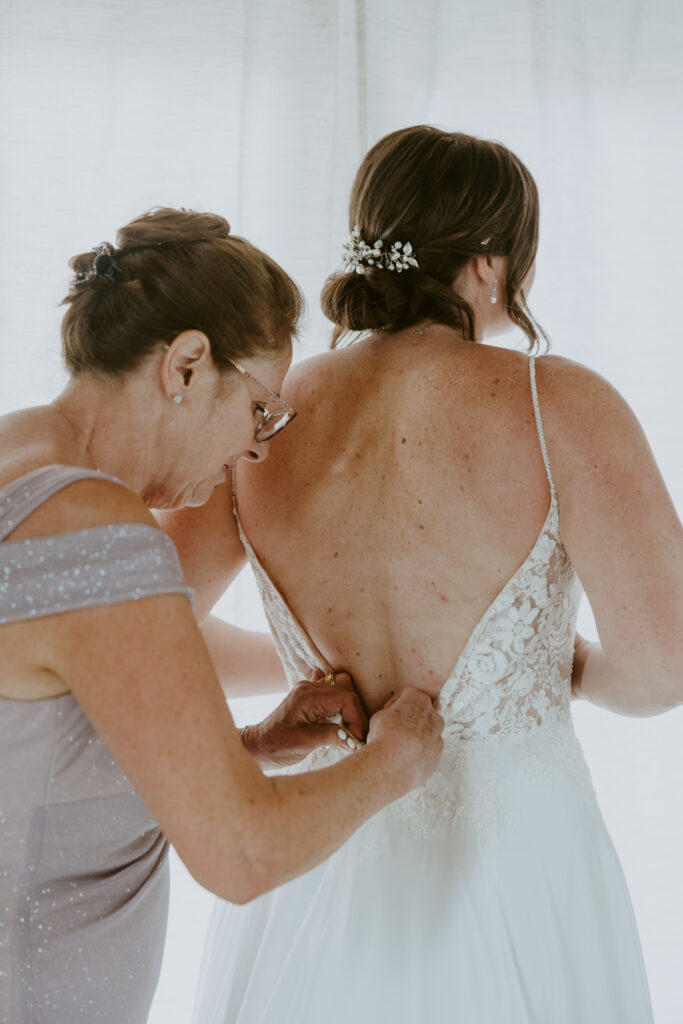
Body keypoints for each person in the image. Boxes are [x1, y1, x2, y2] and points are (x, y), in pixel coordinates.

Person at [184, 127, 683, 1022]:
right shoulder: (559, 403)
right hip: (522, 860)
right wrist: (564, 665)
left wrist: (307, 680)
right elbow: (663, 669)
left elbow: (153, 631)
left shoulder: (265, 409)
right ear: (491, 265)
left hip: (323, 844)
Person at [0, 208, 445, 1024]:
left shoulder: (16, 466)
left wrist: (253, 747)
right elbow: (243, 856)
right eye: (260, 410)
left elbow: (30, 764)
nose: (257, 450)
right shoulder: (94, 528)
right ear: (187, 365)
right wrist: (395, 764)